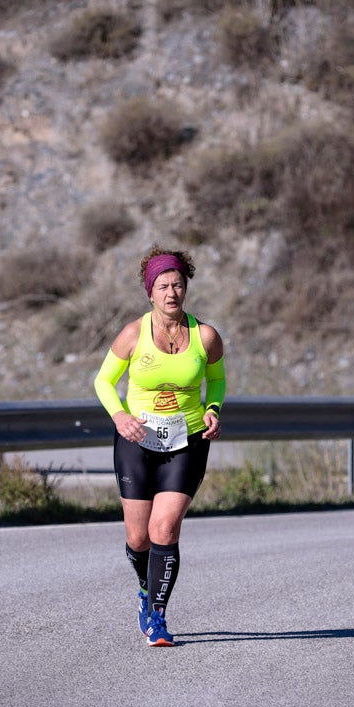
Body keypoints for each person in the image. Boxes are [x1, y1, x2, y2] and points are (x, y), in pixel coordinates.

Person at [93, 245, 225, 647]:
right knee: (138, 538)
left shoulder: (205, 336)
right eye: (164, 286)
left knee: (164, 527)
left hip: (187, 441)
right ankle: (145, 590)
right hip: (137, 440)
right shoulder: (134, 334)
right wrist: (119, 416)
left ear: (186, 289)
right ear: (150, 293)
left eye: (178, 285)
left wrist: (213, 409)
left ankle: (158, 616)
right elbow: (102, 381)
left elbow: (216, 382)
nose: (172, 292)